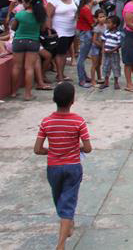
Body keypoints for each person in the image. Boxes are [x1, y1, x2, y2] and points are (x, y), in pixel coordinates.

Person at [34, 82, 92, 250]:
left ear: (54, 100)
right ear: (72, 101)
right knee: (68, 201)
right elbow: (88, 148)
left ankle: (68, 224)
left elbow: (37, 149)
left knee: (60, 199)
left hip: (53, 167)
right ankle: (61, 245)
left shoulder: (46, 122)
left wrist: (52, 151)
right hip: (73, 166)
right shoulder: (78, 121)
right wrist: (77, 148)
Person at [10, 0, 46, 101]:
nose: (22, 4)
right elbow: (43, 29)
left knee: (16, 67)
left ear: (28, 3)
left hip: (19, 41)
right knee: (29, 68)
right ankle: (27, 94)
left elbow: (13, 27)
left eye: (23, 2)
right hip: (33, 41)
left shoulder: (20, 14)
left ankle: (13, 92)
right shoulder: (40, 15)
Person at [46, 0, 78, 83]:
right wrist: (49, 31)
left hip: (70, 30)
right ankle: (60, 76)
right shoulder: (54, 0)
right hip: (59, 31)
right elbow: (48, 16)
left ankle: (61, 74)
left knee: (64, 53)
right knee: (60, 54)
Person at [75, 0, 96, 88]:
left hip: (84, 32)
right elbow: (91, 24)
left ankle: (83, 76)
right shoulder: (86, 9)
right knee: (82, 57)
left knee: (82, 56)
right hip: (86, 33)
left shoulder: (83, 8)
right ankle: (81, 79)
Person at [100, 15, 123, 89]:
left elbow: (119, 44)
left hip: (114, 54)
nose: (107, 24)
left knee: (115, 67)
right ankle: (106, 82)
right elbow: (103, 41)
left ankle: (116, 82)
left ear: (114, 25)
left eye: (109, 23)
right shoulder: (106, 32)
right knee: (106, 67)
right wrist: (103, 49)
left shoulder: (118, 34)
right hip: (106, 53)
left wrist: (112, 50)